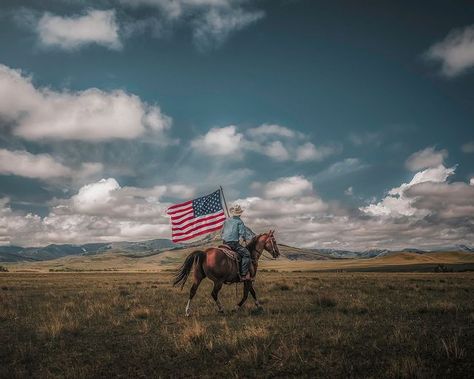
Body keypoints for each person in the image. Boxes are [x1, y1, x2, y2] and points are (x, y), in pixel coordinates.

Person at [221, 204, 255, 281]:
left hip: (224, 243)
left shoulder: (226, 220)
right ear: (239, 213)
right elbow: (242, 234)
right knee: (246, 254)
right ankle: (243, 274)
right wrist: (244, 238)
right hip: (233, 244)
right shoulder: (239, 222)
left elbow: (222, 232)